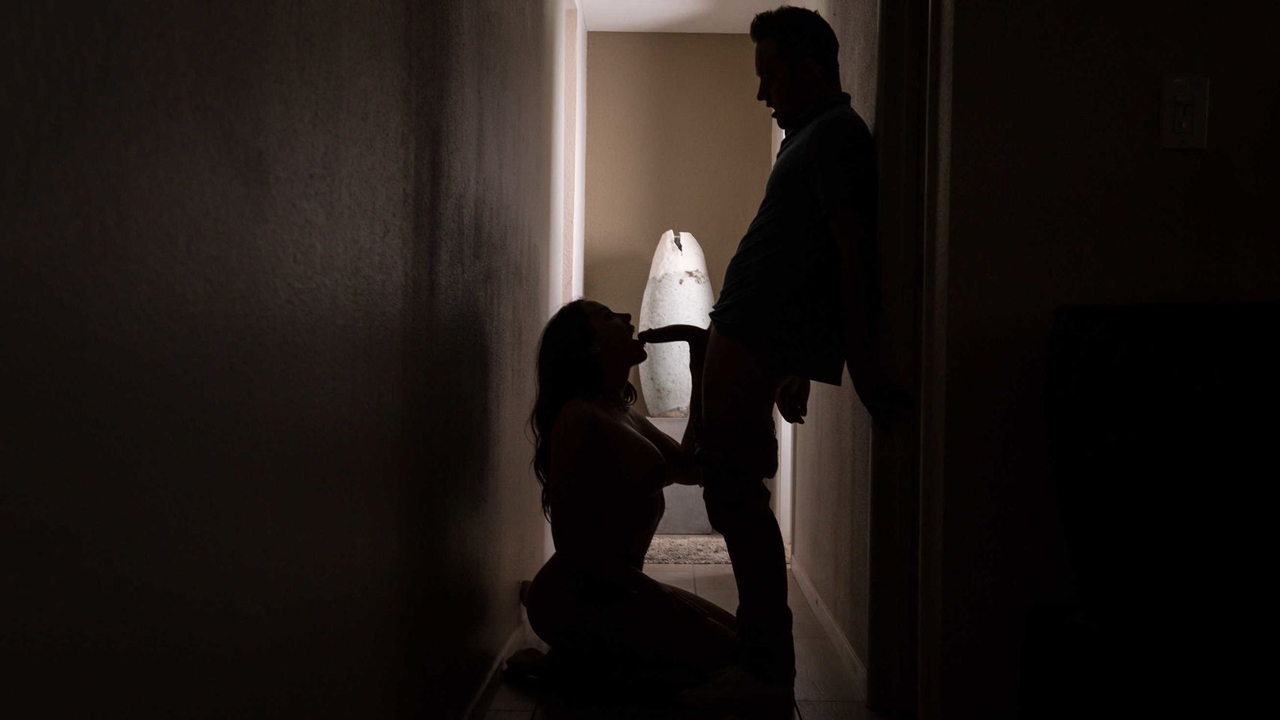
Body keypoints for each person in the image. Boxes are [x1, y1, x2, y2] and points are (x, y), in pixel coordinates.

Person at [691, 6, 900, 697]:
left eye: (771, 75)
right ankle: (761, 662)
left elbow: (849, 259)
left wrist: (861, 368)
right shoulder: (809, 136)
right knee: (732, 493)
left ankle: (765, 670)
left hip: (751, 340)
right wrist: (799, 365)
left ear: (811, 67)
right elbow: (802, 258)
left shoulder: (836, 136)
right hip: (752, 340)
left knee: (736, 496)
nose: (762, 94)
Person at [520, 299, 740, 697]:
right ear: (590, 347)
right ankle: (574, 668)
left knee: (739, 643)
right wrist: (657, 596)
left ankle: (578, 666)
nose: (626, 317)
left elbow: (689, 468)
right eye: (607, 316)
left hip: (622, 591)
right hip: (573, 600)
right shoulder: (578, 418)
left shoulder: (619, 412)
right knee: (728, 661)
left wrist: (699, 364)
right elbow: (572, 546)